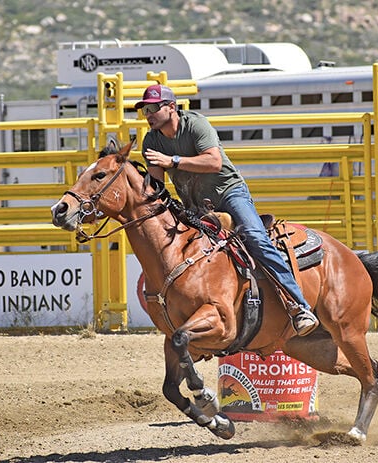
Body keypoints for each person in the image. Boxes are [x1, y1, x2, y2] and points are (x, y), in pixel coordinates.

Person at [135, 84, 319, 336]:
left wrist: (174, 161)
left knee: (256, 239)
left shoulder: (196, 125)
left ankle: (299, 306)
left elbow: (214, 161)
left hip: (229, 194)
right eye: (145, 110)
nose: (149, 114)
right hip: (195, 205)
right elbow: (157, 186)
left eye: (154, 108)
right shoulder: (151, 140)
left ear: (171, 107)